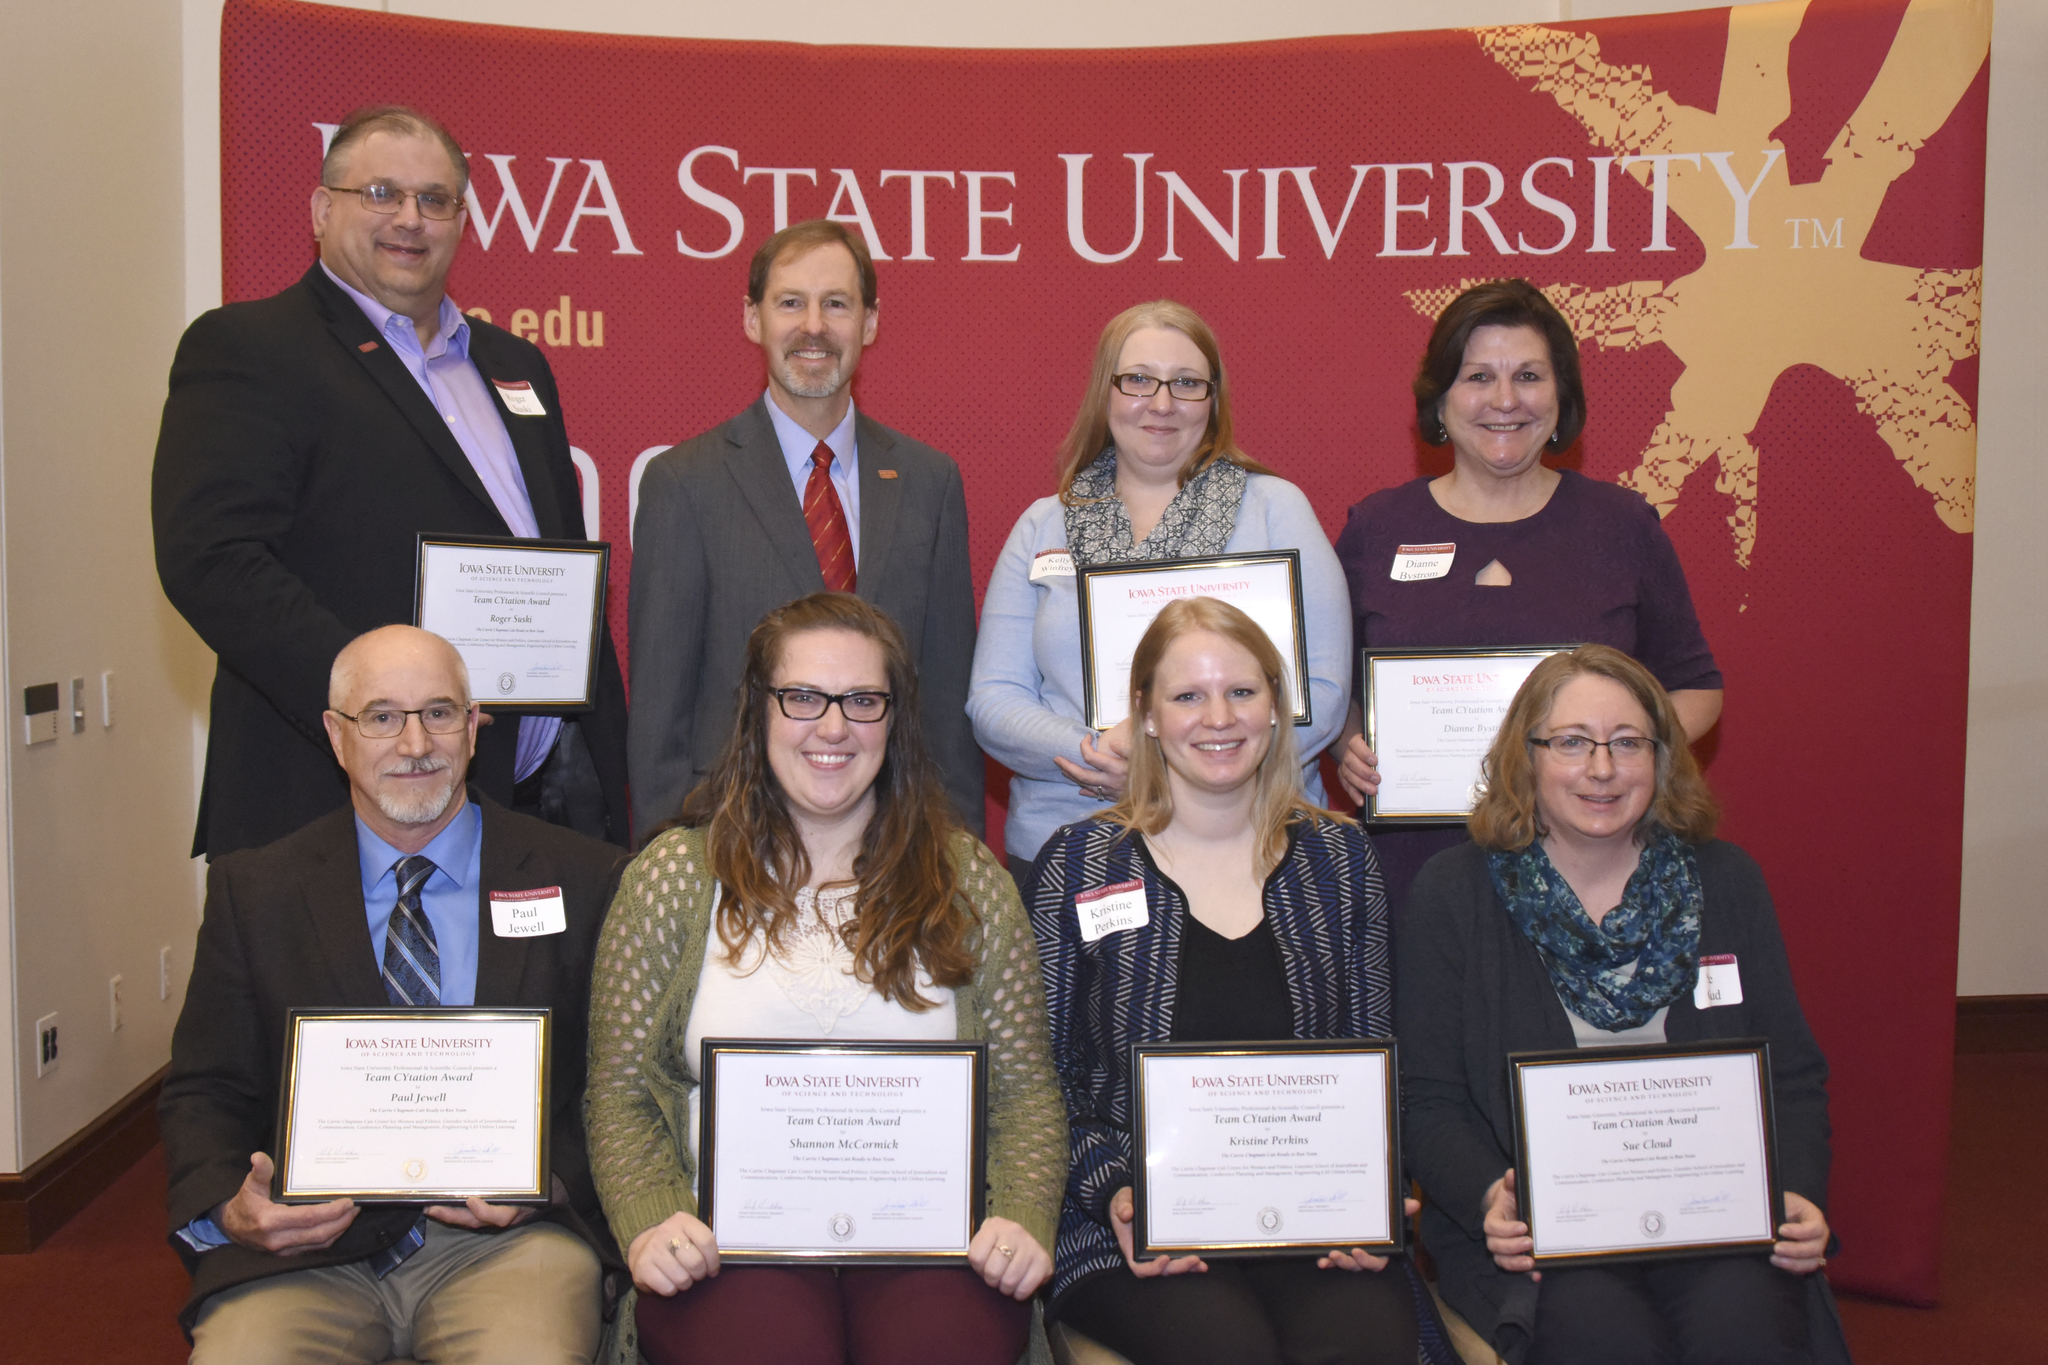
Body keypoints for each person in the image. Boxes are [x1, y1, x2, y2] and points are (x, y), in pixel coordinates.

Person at [585, 593, 1064, 1365]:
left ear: (895, 719)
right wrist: (652, 1219)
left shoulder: (968, 880)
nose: (833, 726)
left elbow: (1025, 1092)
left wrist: (1021, 1215)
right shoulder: (671, 880)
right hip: (726, 1241)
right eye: (803, 696)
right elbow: (620, 1091)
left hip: (932, 1239)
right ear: (758, 711)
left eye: (862, 700)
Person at [153, 104, 629, 860]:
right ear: (320, 209)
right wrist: (381, 710)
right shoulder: (251, 348)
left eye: (435, 200)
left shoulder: (516, 365)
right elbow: (211, 560)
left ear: (461, 220)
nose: (410, 218)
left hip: (527, 801)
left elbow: (553, 556)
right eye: (380, 193)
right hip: (333, 807)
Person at [159, 625, 624, 1362]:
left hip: (508, 1245)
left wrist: (552, 1183)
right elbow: (204, 1088)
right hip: (308, 1254)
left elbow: (619, 1082)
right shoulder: (257, 891)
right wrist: (231, 1205)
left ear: (474, 729)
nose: (415, 744)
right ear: (336, 736)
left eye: (439, 713)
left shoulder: (587, 877)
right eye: (381, 717)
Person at [1027, 599, 1455, 1365]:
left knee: (1363, 1345)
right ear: (1147, 716)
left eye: (1243, 692)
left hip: (1309, 1215)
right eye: (1188, 695)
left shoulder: (1341, 861)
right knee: (1227, 1349)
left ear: (1277, 708)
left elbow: (1372, 1057)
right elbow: (1046, 1080)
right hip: (1132, 1218)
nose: (1217, 717)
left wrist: (1371, 1193)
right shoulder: (1085, 864)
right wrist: (1116, 1193)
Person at [1399, 645, 1837, 1365]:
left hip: (1710, 1218)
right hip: (1544, 1234)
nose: (1601, 768)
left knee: (1746, 1328)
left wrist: (1795, 1192)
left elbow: (1790, 1074)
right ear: (1526, 755)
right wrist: (1487, 1196)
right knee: (1611, 1341)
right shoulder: (1456, 892)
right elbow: (1429, 1099)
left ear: (1662, 758)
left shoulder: (1726, 881)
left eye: (1627, 742)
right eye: (1571, 742)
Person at [1332, 278, 1722, 916]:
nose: (1505, 400)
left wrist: (1611, 756)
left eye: (1530, 376)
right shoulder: (1377, 530)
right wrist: (1350, 744)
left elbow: (1696, 688)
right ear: (1440, 398)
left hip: (1590, 867)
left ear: (1561, 396)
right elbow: (1335, 688)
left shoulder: (1621, 526)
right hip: (1417, 872)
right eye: (1479, 376)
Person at [970, 301, 1350, 884]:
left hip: (1252, 838)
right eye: (1139, 380)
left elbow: (1320, 693)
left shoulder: (1276, 511)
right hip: (1070, 840)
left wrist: (1177, 761)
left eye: (1187, 383)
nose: (1163, 403)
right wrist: (1093, 748)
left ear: (1213, 399)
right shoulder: (1043, 526)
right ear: (1106, 391)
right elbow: (995, 702)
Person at [629, 220, 983, 838]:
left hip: (897, 854)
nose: (813, 326)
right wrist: (671, 873)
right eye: (790, 302)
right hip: (733, 846)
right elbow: (659, 719)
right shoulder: (683, 482)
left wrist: (957, 863)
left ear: (870, 323)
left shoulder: (931, 482)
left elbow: (949, 711)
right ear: (752, 318)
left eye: (836, 304)